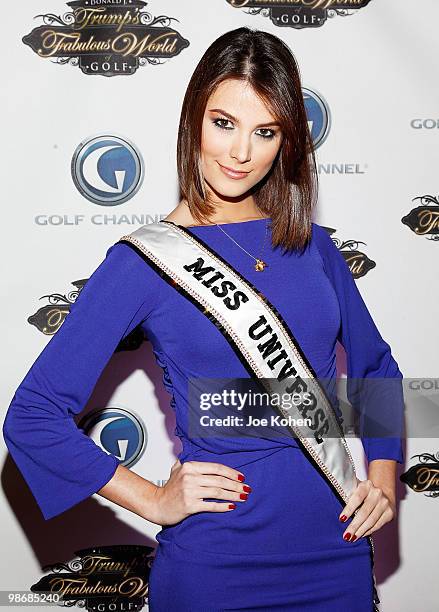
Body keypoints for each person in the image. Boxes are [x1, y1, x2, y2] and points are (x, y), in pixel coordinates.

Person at [3, 27, 404, 611]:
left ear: (286, 141)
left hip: (335, 551)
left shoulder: (315, 249)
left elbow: (377, 365)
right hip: (218, 565)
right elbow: (32, 415)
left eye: (264, 132)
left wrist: (386, 477)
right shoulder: (144, 262)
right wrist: (153, 500)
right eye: (224, 124)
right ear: (193, 118)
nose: (241, 153)